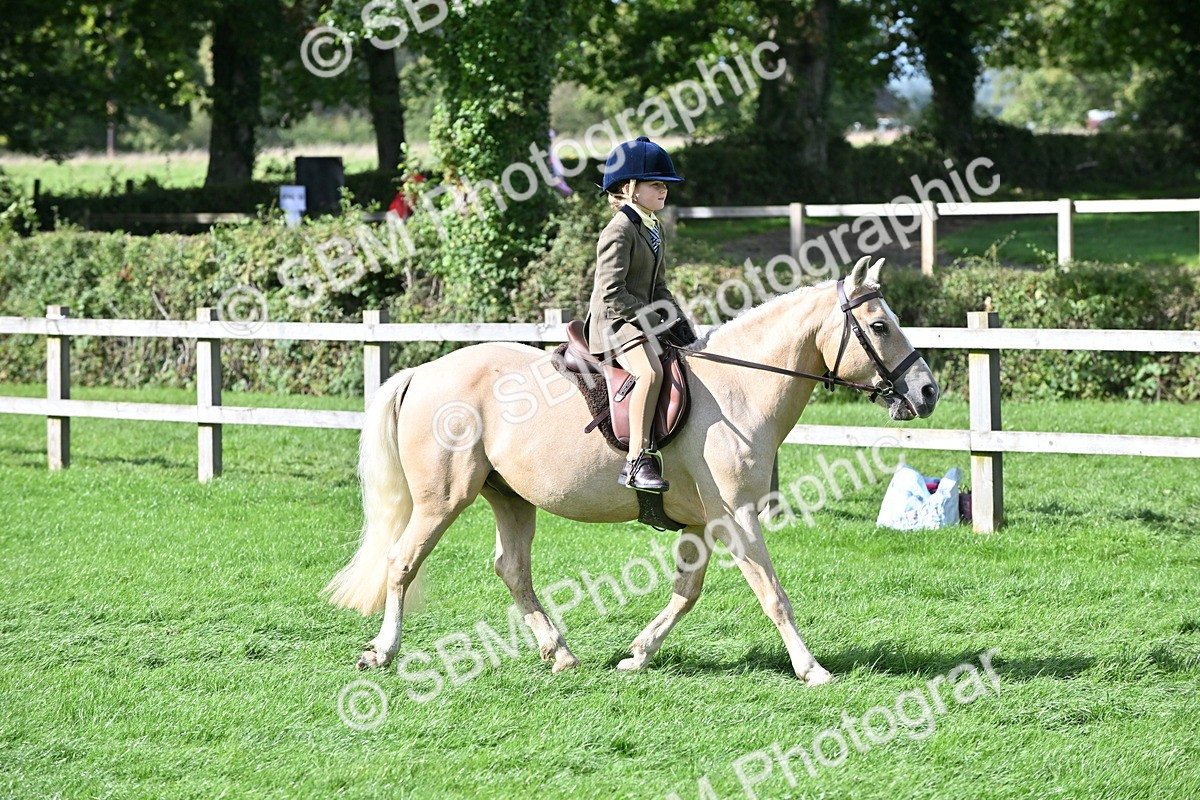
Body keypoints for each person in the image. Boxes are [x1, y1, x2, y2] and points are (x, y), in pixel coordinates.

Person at [583, 136, 698, 494]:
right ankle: (636, 461)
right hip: (615, 323)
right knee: (650, 372)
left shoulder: (653, 227)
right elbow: (612, 293)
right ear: (630, 188)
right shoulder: (618, 230)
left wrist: (679, 321)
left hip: (640, 318)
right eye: (656, 184)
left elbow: (659, 286)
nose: (664, 190)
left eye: (665, 185)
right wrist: (654, 321)